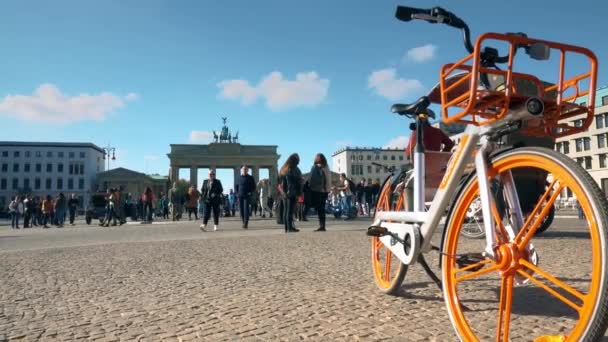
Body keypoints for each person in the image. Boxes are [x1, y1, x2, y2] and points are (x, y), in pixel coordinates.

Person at [280, 153, 303, 233]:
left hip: (285, 193)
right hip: (291, 192)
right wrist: (297, 192)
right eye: (298, 159)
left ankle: (288, 227)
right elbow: (292, 182)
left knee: (287, 211)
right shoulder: (292, 169)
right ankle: (289, 228)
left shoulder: (285, 168)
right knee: (289, 211)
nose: (299, 161)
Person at [309, 153, 331, 231]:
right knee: (322, 208)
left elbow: (311, 179)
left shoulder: (316, 167)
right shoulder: (327, 167)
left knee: (319, 209)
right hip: (326, 190)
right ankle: (323, 225)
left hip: (318, 190)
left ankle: (322, 226)